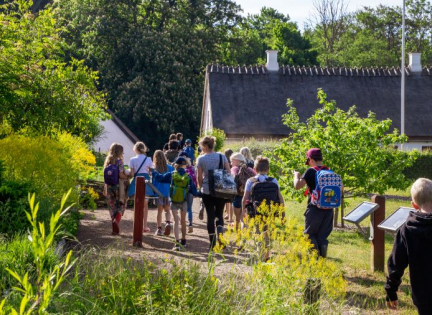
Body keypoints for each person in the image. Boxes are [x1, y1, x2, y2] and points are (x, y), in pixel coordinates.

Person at [385, 178, 432, 314]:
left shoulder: (407, 229)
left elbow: (396, 263)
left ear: (414, 205)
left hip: (423, 295)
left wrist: (391, 290)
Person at [152, 157, 200, 251]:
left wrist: (153, 171)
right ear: (184, 165)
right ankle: (184, 241)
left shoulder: (171, 174)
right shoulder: (188, 176)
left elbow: (159, 178)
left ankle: (177, 243)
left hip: (173, 201)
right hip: (184, 201)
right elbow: (194, 192)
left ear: (176, 165)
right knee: (183, 221)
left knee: (175, 221)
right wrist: (203, 194)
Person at [293, 148, 333, 258]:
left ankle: (314, 261)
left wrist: (296, 175)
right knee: (322, 236)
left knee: (310, 234)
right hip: (329, 208)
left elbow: (297, 186)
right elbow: (341, 187)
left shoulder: (311, 171)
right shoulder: (330, 171)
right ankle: (322, 261)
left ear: (310, 159)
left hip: (314, 208)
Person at [242, 156, 284, 261]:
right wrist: (283, 215)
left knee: (259, 231)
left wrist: (243, 212)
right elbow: (281, 199)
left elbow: (245, 199)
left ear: (255, 169)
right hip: (271, 211)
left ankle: (261, 254)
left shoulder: (251, 181)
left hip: (256, 211)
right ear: (268, 169)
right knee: (268, 231)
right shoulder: (273, 181)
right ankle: (267, 254)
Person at [196, 136, 231, 250]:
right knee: (219, 214)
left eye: (202, 146)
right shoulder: (222, 156)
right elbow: (228, 172)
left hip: (207, 190)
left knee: (210, 216)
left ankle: (212, 244)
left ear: (205, 146)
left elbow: (199, 177)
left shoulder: (201, 159)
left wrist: (201, 187)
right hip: (220, 188)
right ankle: (220, 231)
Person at [103, 143, 130, 235]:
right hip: (118, 187)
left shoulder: (107, 161)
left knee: (112, 206)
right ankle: (116, 221)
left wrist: (105, 189)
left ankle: (114, 229)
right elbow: (121, 175)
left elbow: (105, 177)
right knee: (121, 205)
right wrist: (128, 176)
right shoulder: (119, 162)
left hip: (109, 186)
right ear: (119, 152)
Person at [129, 141, 153, 233]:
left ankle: (136, 226)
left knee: (137, 204)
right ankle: (144, 226)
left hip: (136, 182)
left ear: (136, 149)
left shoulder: (132, 160)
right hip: (146, 182)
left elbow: (131, 174)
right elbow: (150, 172)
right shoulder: (149, 159)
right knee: (145, 206)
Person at [230, 152, 255, 231]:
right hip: (248, 196)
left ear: (237, 160)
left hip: (237, 195)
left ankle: (238, 235)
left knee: (237, 219)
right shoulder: (250, 169)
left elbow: (232, 178)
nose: (231, 163)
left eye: (232, 161)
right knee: (243, 218)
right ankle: (244, 234)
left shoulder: (234, 169)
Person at [152, 150, 174, 236]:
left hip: (158, 192)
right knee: (167, 210)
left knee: (159, 211)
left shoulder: (155, 169)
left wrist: (153, 192)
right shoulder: (170, 168)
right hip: (168, 192)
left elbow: (153, 181)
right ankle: (168, 223)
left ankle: (159, 229)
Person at [179, 151, 197, 233]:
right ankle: (190, 224)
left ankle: (182, 222)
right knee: (189, 208)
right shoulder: (192, 169)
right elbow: (195, 180)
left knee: (182, 208)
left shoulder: (179, 170)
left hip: (181, 190)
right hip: (190, 190)